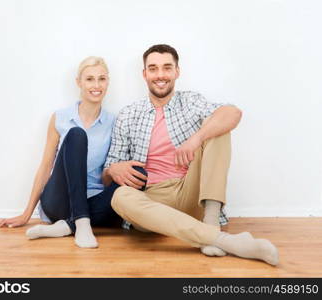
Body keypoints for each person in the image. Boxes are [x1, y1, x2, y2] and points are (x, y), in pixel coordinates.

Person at [103, 44, 279, 265]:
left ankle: (212, 222)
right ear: (144, 74)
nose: (160, 75)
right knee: (119, 197)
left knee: (217, 127)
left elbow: (233, 113)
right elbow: (106, 176)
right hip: (153, 200)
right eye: (153, 68)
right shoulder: (128, 115)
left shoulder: (191, 101)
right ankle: (225, 241)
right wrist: (112, 169)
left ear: (177, 71)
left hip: (191, 190)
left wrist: (196, 138)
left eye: (167, 68)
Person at [0, 56, 127, 248]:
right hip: (59, 199)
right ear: (79, 82)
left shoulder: (114, 122)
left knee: (135, 182)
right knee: (76, 135)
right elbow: (46, 165)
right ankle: (81, 223)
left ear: (108, 82)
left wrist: (113, 173)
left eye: (102, 79)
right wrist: (26, 213)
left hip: (92, 197)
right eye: (89, 79)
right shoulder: (60, 118)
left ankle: (65, 227)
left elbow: (107, 175)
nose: (96, 85)